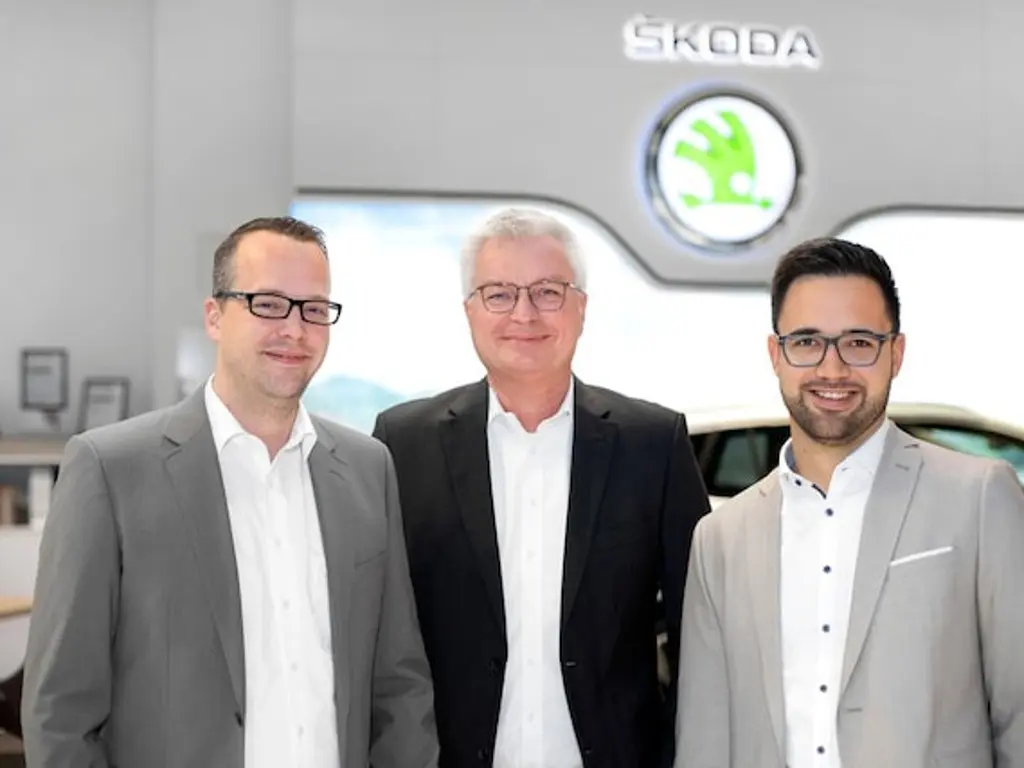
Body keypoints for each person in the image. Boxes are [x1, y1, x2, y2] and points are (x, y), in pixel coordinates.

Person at [21, 216, 439, 768]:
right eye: (268, 304)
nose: (295, 329)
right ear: (214, 316)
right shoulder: (110, 469)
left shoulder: (368, 469)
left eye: (314, 309)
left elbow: (399, 685)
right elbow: (60, 711)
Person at [372, 207, 710, 768]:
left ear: (581, 307)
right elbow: (379, 636)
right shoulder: (403, 445)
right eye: (499, 294)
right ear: (470, 311)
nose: (524, 314)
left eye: (548, 292)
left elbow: (698, 632)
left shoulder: (653, 444)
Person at [674, 237, 1024, 767]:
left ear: (895, 353)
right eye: (807, 341)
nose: (832, 369)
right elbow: (705, 740)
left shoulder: (979, 497)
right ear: (776, 354)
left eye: (859, 342)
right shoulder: (721, 537)